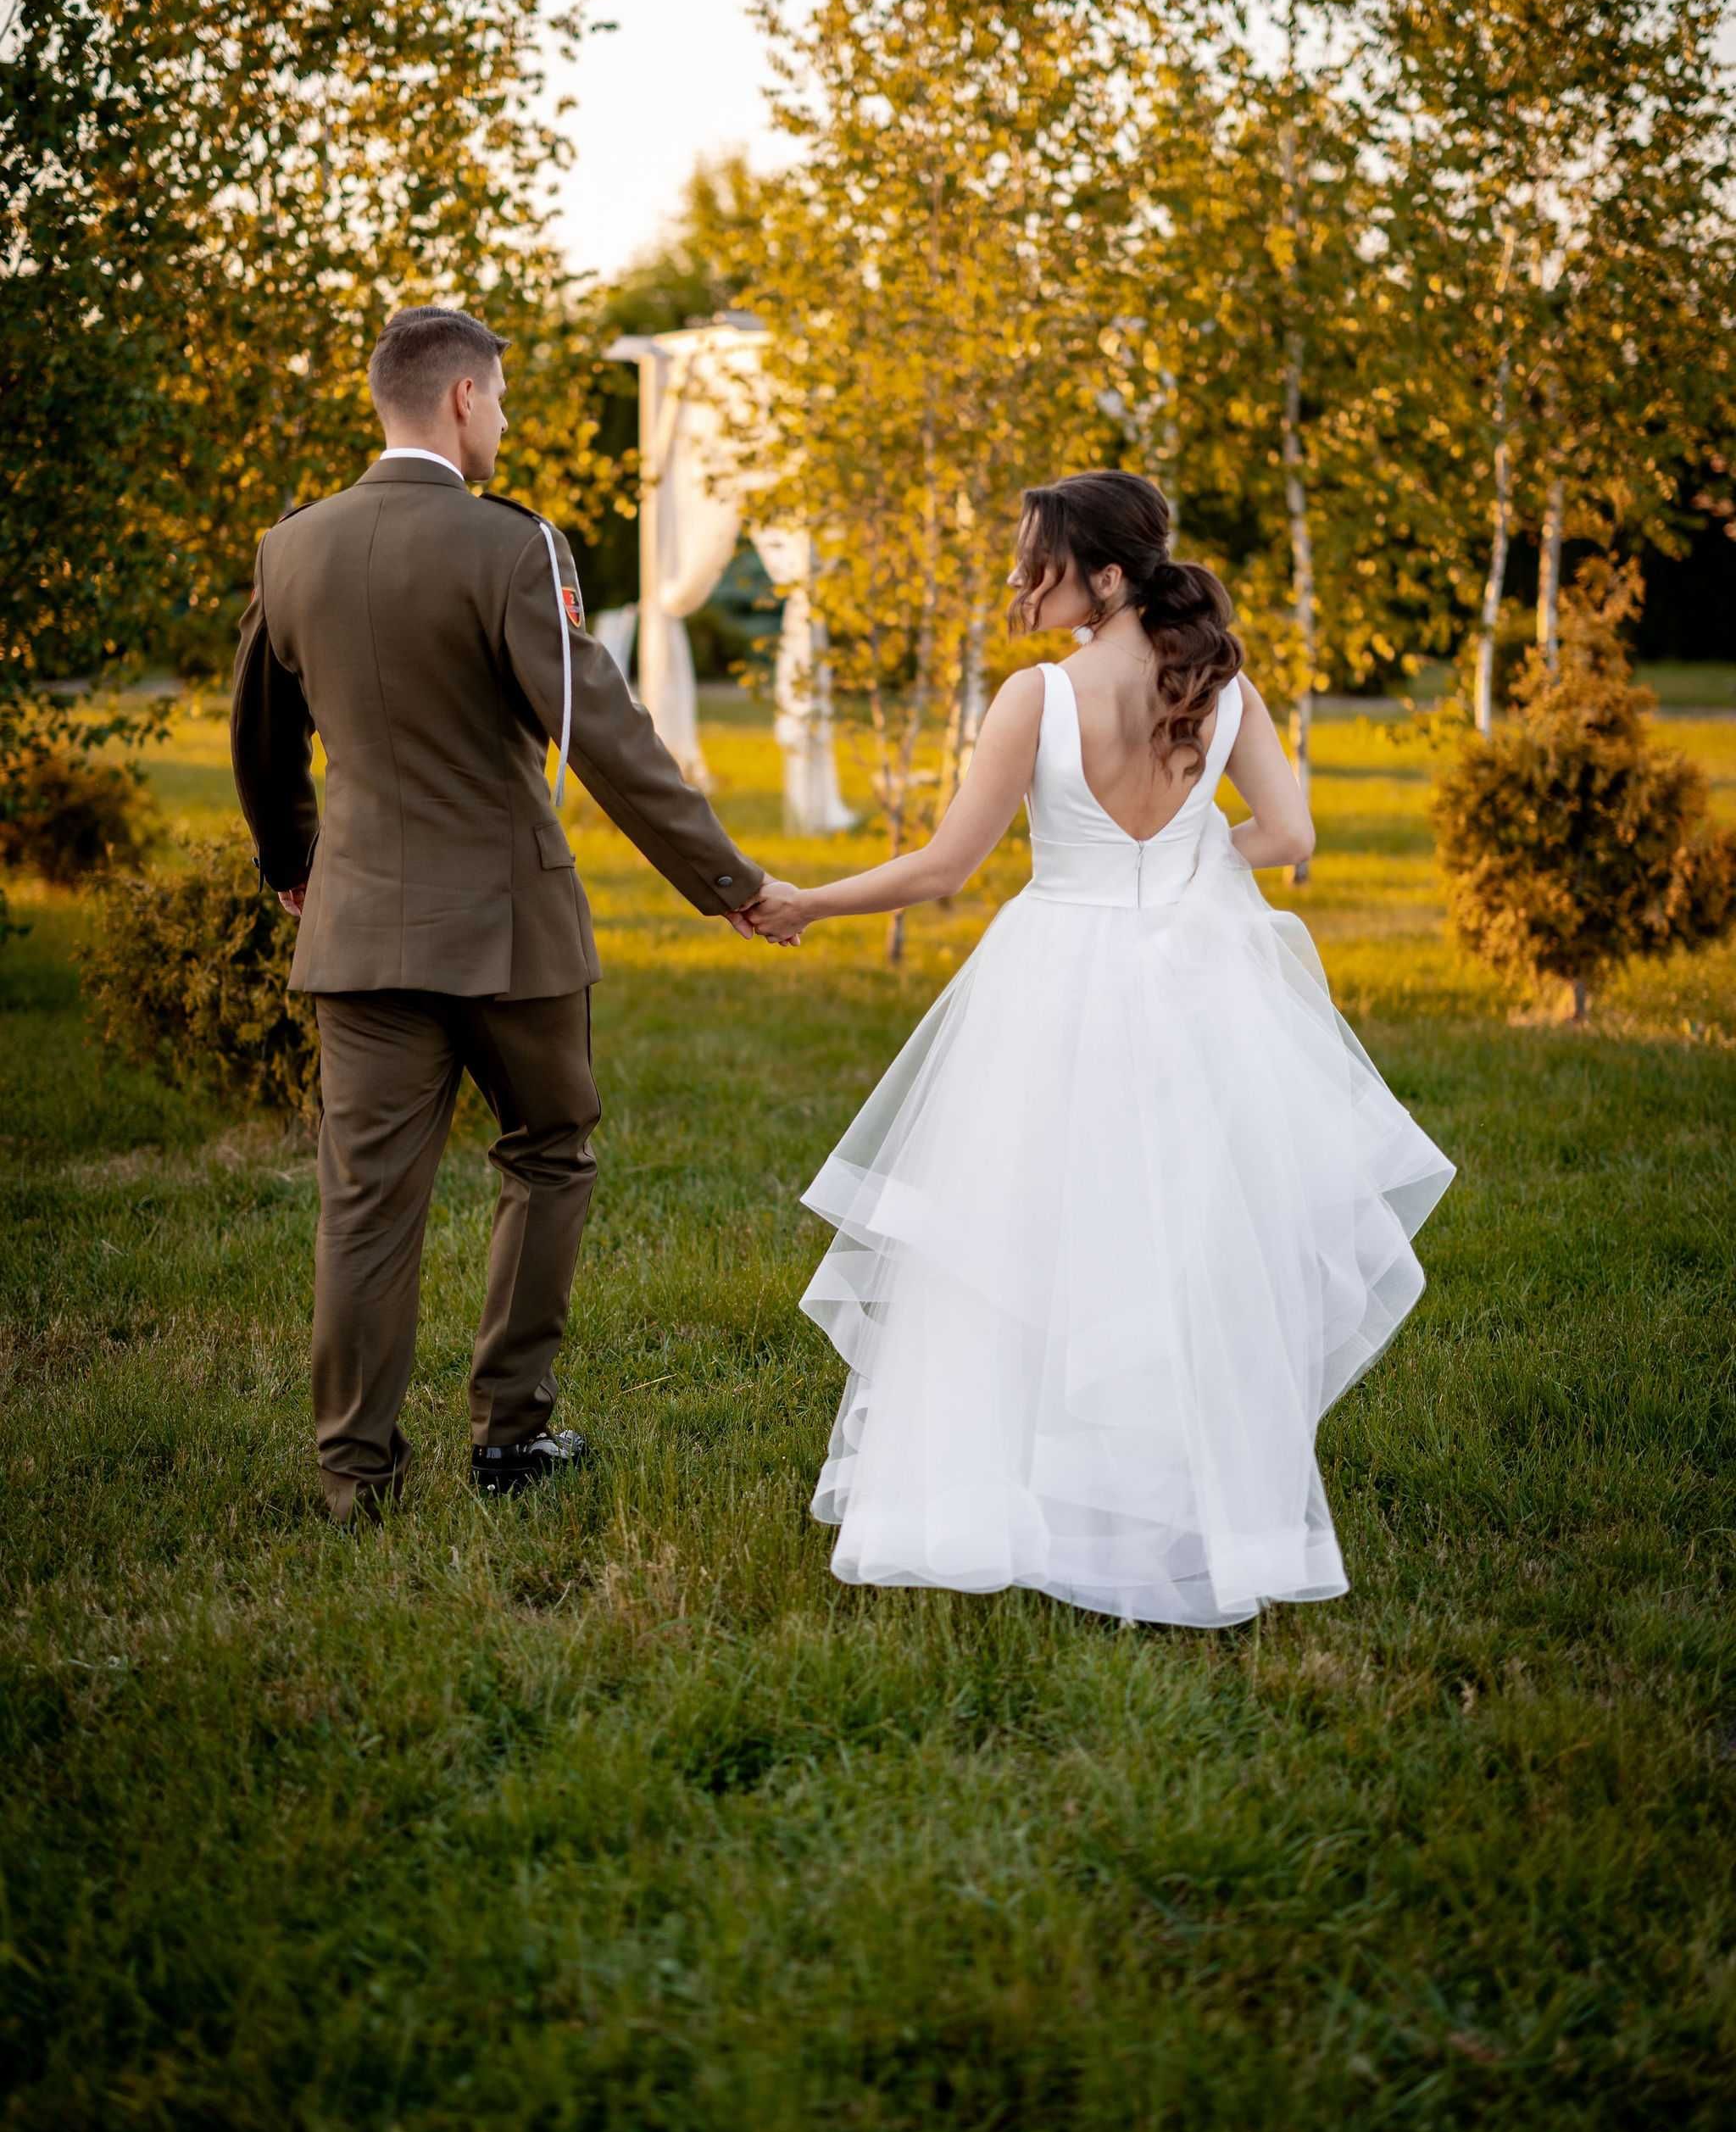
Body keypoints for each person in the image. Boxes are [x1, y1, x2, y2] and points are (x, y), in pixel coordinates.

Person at [745, 472, 1455, 1626]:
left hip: (1052, 981)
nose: (1020, 583)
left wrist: (805, 902)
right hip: (1193, 990)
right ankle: (1173, 1506)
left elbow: (941, 871)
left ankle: (1021, 1499)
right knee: (1179, 1244)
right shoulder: (1223, 690)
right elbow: (1291, 834)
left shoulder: (1038, 699)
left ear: (1108, 577)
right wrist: (1180, 874)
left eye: (1040, 563)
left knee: (1025, 1243)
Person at [230, 304, 798, 1522]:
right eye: (502, 396)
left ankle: (353, 1480)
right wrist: (732, 885)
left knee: (367, 1202)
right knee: (549, 1155)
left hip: (359, 927)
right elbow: (603, 734)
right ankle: (510, 1439)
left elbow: (260, 739)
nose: (507, 418)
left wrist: (294, 864)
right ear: (462, 402)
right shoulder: (512, 550)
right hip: (510, 937)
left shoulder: (294, 549)